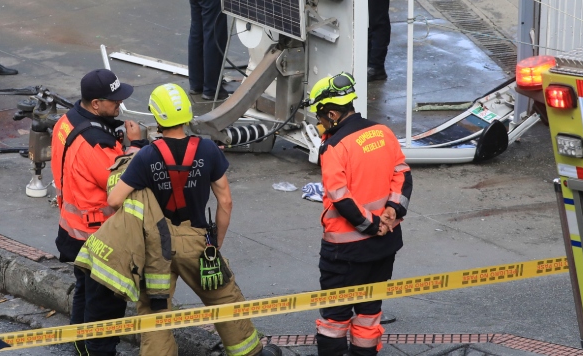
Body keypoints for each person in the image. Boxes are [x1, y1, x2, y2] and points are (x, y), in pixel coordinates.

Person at [107, 83, 282, 356]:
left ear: (157, 116)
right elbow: (226, 201)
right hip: (197, 241)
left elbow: (115, 200)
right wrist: (216, 243)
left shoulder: (146, 156)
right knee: (224, 297)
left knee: (155, 312)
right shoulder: (208, 150)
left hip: (156, 247)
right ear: (187, 114)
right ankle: (250, 353)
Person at [307, 72, 411, 356]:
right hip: (384, 245)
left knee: (335, 316)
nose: (320, 122)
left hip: (345, 251)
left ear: (332, 113)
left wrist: (371, 225)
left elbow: (340, 197)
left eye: (320, 117)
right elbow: (402, 174)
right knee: (369, 310)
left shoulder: (334, 146)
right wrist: (393, 211)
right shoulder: (383, 132)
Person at [51, 68, 142, 356]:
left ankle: (81, 346)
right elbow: (122, 183)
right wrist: (136, 146)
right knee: (105, 303)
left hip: (72, 228)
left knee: (85, 291)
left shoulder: (67, 121)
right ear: (95, 104)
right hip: (98, 233)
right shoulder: (96, 142)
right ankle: (99, 351)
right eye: (114, 101)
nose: (120, 105)